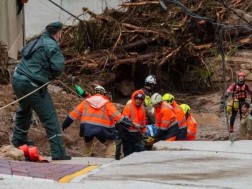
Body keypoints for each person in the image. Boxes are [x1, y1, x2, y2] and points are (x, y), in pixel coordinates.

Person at [11, 22, 71, 160]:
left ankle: (19, 140)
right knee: (50, 116)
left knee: (24, 109)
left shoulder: (37, 41)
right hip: (31, 83)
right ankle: (58, 153)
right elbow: (58, 66)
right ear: (57, 33)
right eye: (61, 33)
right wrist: (55, 75)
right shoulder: (52, 45)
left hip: (17, 79)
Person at [62, 85, 133, 158]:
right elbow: (118, 117)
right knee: (110, 144)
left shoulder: (86, 101)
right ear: (104, 93)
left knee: (87, 143)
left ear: (94, 92)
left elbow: (74, 113)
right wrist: (129, 123)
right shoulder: (107, 103)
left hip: (87, 128)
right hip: (103, 129)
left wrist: (66, 123)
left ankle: (86, 159)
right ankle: (109, 160)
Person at [119, 90, 146, 157]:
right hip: (127, 134)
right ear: (134, 98)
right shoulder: (128, 107)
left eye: (140, 99)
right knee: (128, 154)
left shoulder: (143, 109)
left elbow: (143, 122)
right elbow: (125, 120)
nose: (138, 101)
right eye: (137, 99)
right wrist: (134, 124)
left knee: (138, 155)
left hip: (136, 135)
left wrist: (144, 132)